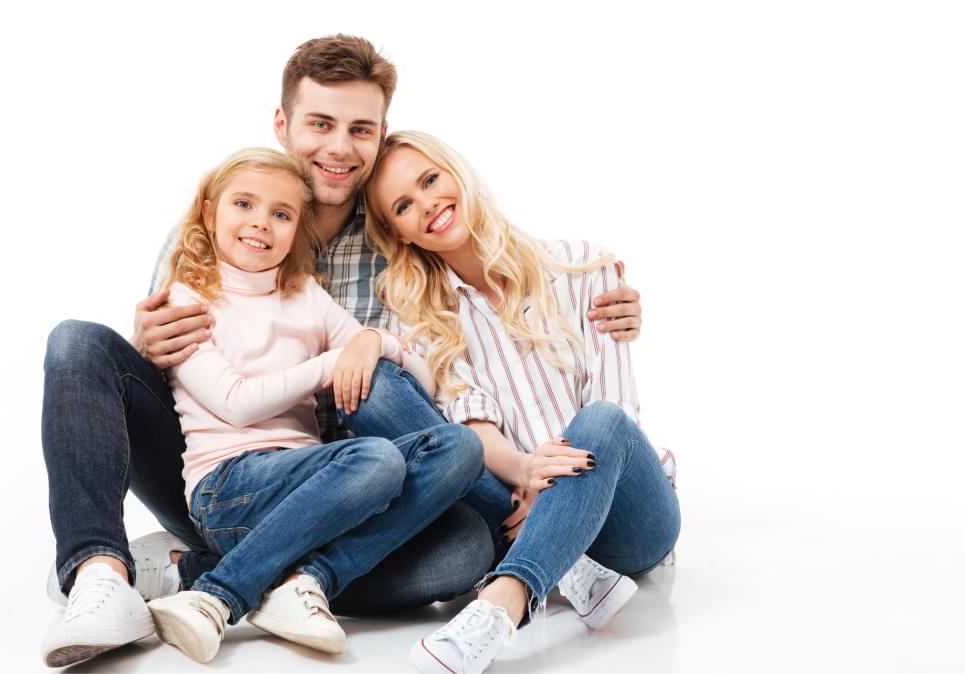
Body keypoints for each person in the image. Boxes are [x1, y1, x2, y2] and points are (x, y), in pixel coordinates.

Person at [39, 34, 645, 667]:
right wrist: (145, 348)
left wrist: (591, 291)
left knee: (465, 548)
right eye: (320, 124)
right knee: (79, 343)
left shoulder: (399, 240)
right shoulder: (221, 226)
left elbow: (469, 329)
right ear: (283, 124)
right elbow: (189, 386)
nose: (338, 147)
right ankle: (101, 577)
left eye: (360, 129)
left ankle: (199, 572)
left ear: (380, 136)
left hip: (359, 492)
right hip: (218, 476)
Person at [131, 147, 482, 665]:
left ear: (298, 229)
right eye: (243, 205)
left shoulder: (306, 295)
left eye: (281, 214)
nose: (260, 223)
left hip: (315, 489)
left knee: (461, 450)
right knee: (377, 459)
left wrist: (375, 342)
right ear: (209, 213)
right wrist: (333, 362)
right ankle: (217, 596)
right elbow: (236, 404)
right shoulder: (189, 299)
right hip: (227, 488)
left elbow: (421, 381)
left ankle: (296, 580)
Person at [363, 130, 681, 674]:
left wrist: (552, 489)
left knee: (601, 419)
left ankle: (503, 604)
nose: (428, 205)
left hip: (626, 522)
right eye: (404, 205)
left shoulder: (583, 266)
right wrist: (524, 469)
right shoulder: (421, 318)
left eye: (431, 180)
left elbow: (615, 409)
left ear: (458, 174)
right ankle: (568, 571)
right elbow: (472, 422)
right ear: (399, 232)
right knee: (428, 426)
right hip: (513, 504)